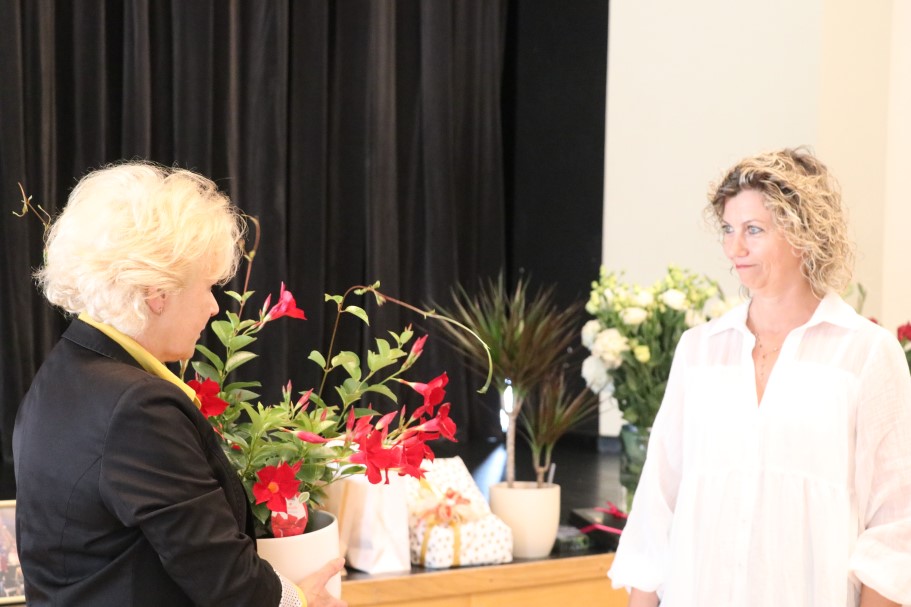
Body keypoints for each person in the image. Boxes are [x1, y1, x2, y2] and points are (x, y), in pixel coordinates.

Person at [13, 162, 347, 607]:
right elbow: (223, 578)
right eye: (207, 287)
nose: (213, 307)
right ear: (157, 293)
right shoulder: (137, 408)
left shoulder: (64, 369)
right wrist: (303, 602)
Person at [608, 148, 911, 606]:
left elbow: (896, 523)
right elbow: (657, 504)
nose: (735, 249)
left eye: (753, 230)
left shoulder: (865, 354)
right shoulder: (699, 351)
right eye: (728, 229)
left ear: (805, 233)